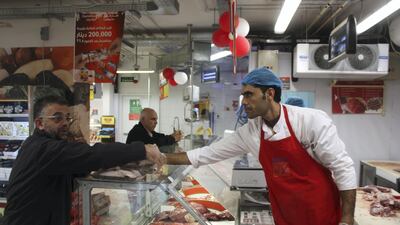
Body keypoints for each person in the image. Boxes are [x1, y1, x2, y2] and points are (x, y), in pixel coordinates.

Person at [162, 67, 357, 225]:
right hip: (285, 216)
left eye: (249, 95)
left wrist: (347, 218)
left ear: (269, 94)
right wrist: (162, 157)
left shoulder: (310, 120)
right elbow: (208, 154)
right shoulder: (251, 131)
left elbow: (342, 167)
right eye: (243, 96)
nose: (244, 102)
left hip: (321, 213)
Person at [3, 96, 164, 225]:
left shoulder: (51, 147)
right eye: (57, 118)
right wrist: (141, 149)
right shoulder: (42, 149)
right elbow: (93, 154)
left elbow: (82, 166)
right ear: (40, 124)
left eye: (67, 118)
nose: (65, 123)